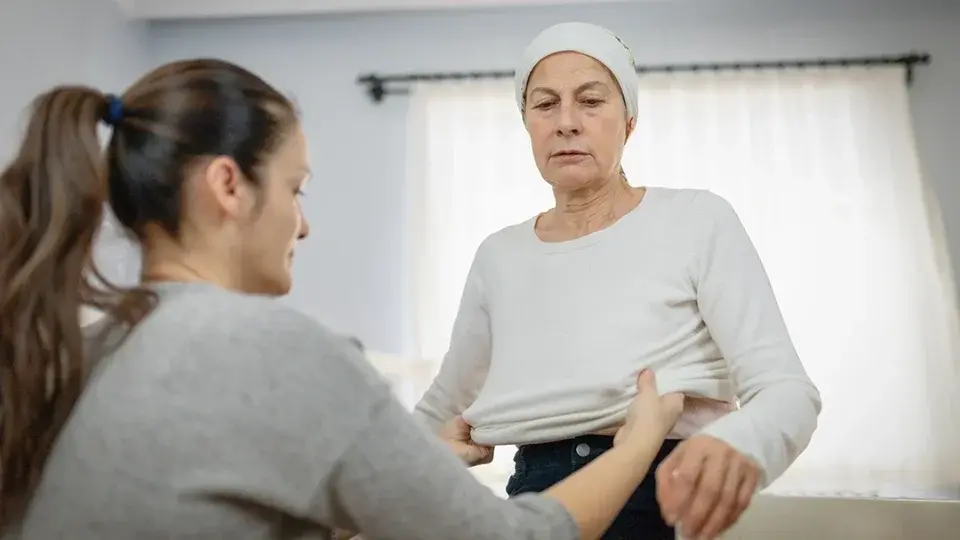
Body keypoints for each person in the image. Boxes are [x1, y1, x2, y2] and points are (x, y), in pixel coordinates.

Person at [0, 58, 686, 539]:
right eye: (296, 188)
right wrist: (639, 441)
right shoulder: (277, 350)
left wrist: (399, 479)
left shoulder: (78, 349)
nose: (304, 223)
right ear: (228, 186)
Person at [413, 22, 823, 540]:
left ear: (628, 122)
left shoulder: (697, 220)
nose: (566, 123)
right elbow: (441, 409)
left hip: (665, 495)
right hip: (538, 506)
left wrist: (742, 442)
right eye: (544, 105)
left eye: (590, 101)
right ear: (527, 125)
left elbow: (787, 391)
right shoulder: (499, 256)